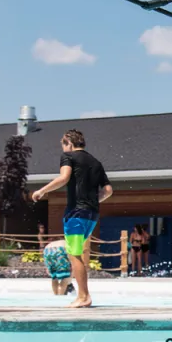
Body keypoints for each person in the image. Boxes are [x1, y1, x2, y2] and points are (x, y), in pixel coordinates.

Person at [33, 129, 113, 308]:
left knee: (73, 254)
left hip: (76, 214)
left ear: (69, 142)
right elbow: (108, 191)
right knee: (77, 253)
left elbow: (64, 177)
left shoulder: (68, 156)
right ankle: (83, 295)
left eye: (63, 144)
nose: (62, 148)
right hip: (92, 214)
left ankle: (83, 296)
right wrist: (91, 201)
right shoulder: (96, 162)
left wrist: (42, 191)